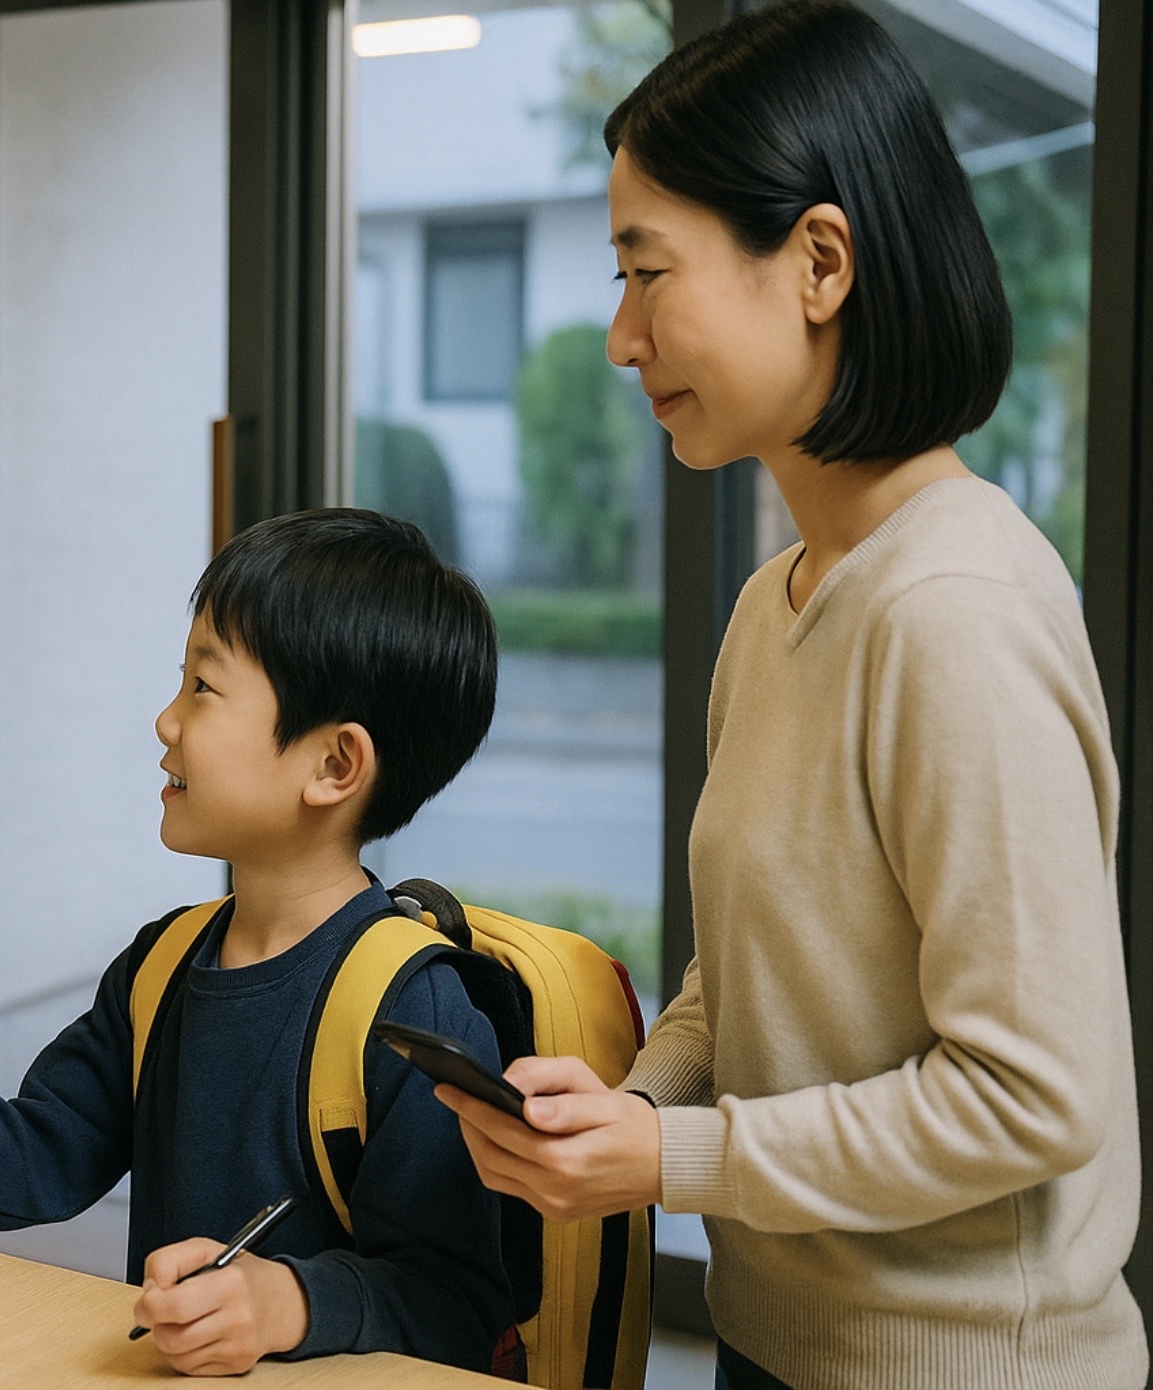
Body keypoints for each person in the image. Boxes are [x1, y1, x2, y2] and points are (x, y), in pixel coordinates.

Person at [437, 4, 1147, 1388]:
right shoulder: (778, 606)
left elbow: (1033, 1095)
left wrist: (677, 1157)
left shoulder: (956, 611)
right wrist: (628, 1108)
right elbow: (738, 982)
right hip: (778, 1342)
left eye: (650, 274)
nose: (621, 339)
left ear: (819, 260)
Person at [0, 510, 514, 1375]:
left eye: (204, 688)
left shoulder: (411, 1008)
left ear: (334, 766)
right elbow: (40, 1152)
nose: (165, 720)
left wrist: (286, 1303)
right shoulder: (162, 966)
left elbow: (455, 1302)